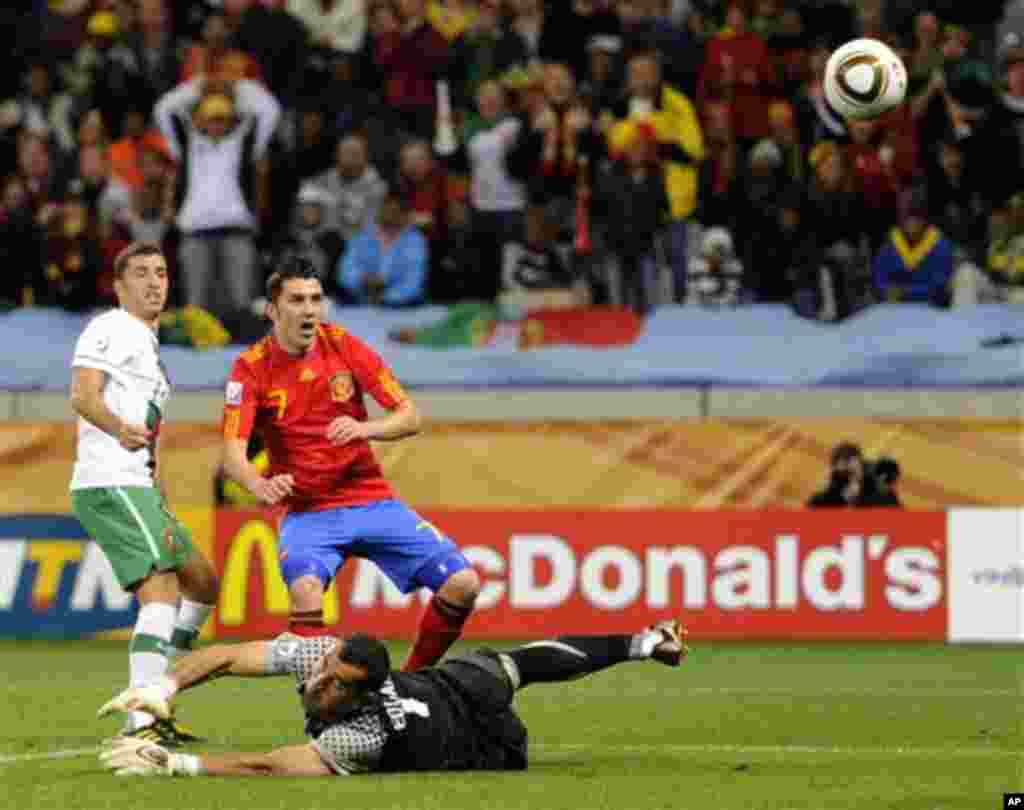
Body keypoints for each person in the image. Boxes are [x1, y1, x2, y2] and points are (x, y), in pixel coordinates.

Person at [220, 256, 480, 672]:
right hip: (309, 512)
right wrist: (258, 484)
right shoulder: (250, 368)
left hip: (370, 499)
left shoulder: (344, 346)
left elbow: (410, 416)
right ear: (272, 310)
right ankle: (321, 700)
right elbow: (232, 453)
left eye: (315, 299)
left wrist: (365, 429)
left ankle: (412, 680)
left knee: (463, 584)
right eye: (297, 300)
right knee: (305, 591)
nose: (309, 310)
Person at [97, 619, 688, 777]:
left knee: (511, 685)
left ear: (359, 697)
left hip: (485, 741)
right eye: (325, 670)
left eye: (335, 685)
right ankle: (644, 642)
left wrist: (177, 764)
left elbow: (272, 765)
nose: (318, 683)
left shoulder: (362, 735)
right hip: (450, 683)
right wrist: (162, 686)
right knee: (511, 664)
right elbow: (228, 655)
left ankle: (641, 645)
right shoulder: (320, 656)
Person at [69, 241, 220, 747]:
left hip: (140, 485)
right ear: (119, 286)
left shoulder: (149, 346)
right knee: (161, 593)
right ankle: (142, 724)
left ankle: (158, 693)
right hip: (110, 480)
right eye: (141, 273)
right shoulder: (110, 327)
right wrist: (119, 429)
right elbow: (83, 394)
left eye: (161, 273)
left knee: (203, 583)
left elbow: (149, 431)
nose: (154, 282)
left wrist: (158, 489)